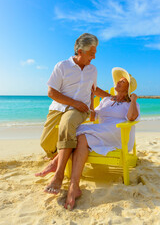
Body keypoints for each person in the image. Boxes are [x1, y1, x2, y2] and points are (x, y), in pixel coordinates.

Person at [36, 67, 140, 210]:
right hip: (99, 133)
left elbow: (131, 118)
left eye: (123, 81)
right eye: (119, 80)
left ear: (128, 88)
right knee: (80, 137)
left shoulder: (131, 104)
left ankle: (56, 163)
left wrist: (133, 99)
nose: (118, 82)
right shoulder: (106, 100)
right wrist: (91, 97)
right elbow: (92, 116)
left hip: (116, 134)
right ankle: (74, 185)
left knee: (78, 133)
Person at [38, 33, 111, 194]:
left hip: (80, 110)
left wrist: (107, 99)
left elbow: (93, 90)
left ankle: (58, 176)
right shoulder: (62, 66)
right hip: (58, 107)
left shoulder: (93, 70)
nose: (94, 56)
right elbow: (51, 92)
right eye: (92, 52)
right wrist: (73, 102)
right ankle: (58, 158)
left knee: (67, 123)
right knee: (46, 142)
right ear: (80, 52)